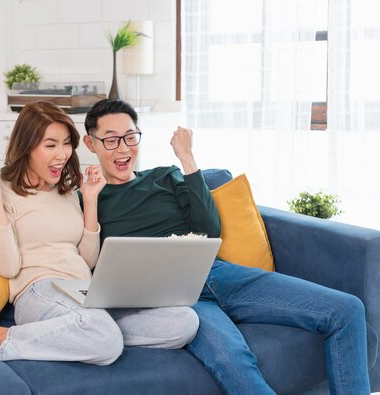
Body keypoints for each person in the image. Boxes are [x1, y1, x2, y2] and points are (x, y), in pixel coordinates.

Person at [82, 98, 370, 394]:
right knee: (237, 360)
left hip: (220, 274)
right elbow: (86, 260)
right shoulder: (88, 196)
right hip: (174, 298)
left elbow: (208, 229)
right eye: (111, 140)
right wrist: (90, 200)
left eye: (130, 137)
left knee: (347, 309)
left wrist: (187, 158)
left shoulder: (164, 176)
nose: (124, 148)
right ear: (90, 144)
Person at [0, 101, 199, 365]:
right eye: (51, 145)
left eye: (67, 143)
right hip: (39, 290)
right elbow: (8, 267)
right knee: (104, 338)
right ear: (27, 147)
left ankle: (82, 335)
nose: (63, 154)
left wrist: (90, 200)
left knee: (183, 322)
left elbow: (88, 261)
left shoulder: (66, 191)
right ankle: (4, 336)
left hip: (84, 289)